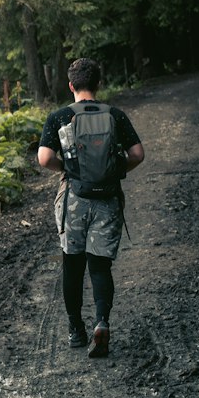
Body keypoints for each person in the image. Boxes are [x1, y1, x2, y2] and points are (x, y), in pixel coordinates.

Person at [37, 57, 145, 358]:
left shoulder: (59, 116)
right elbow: (138, 154)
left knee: (72, 264)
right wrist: (114, 170)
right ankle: (102, 322)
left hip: (74, 199)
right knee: (99, 265)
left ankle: (76, 329)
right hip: (107, 200)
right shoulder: (115, 115)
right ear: (99, 84)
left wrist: (70, 171)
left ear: (70, 85)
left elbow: (44, 158)